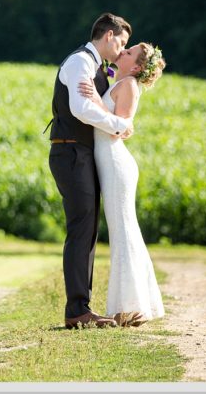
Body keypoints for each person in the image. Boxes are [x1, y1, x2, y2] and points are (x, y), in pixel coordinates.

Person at [44, 13, 134, 329]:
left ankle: (82, 307)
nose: (122, 50)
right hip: (70, 152)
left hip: (81, 153)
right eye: (121, 42)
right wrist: (120, 125)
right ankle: (77, 311)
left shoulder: (96, 68)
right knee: (82, 228)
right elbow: (81, 110)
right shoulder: (79, 63)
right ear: (108, 35)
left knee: (88, 229)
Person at [78, 42, 167, 327]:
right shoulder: (122, 80)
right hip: (109, 163)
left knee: (123, 233)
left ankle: (130, 309)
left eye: (129, 53)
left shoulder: (128, 83)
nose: (123, 52)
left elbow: (121, 126)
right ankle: (134, 306)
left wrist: (95, 100)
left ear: (137, 67)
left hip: (116, 164)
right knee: (124, 232)